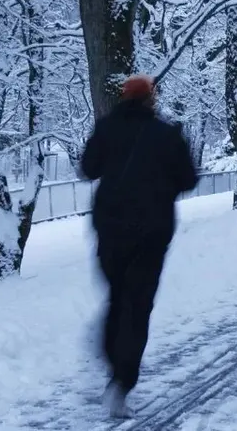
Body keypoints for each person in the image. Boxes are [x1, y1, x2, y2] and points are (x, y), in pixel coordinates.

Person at [81, 75, 198, 418]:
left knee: (117, 298)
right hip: (152, 232)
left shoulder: (105, 128)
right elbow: (188, 180)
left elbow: (88, 169)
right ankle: (121, 381)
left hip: (110, 230)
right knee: (138, 305)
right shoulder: (166, 134)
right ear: (151, 99)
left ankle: (110, 350)